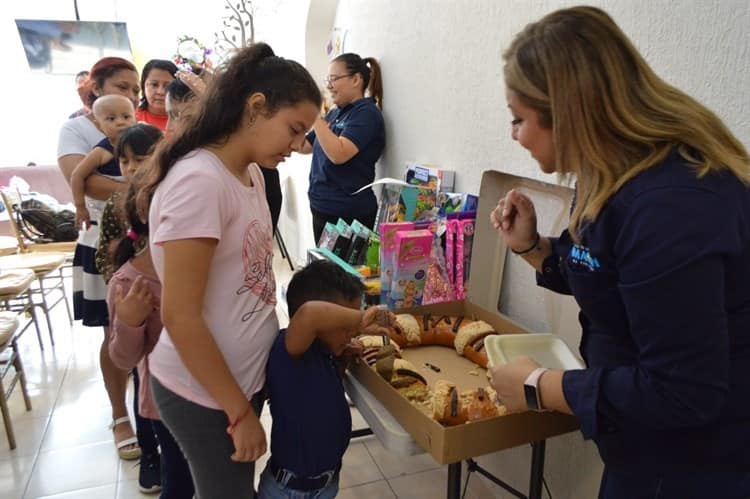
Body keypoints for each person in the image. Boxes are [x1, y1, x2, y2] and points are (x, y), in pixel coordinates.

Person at [487, 7, 750, 499]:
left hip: (696, 464)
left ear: (566, 114)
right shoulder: (611, 173)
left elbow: (684, 391)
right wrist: (534, 247)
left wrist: (539, 387)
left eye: (519, 119)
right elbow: (607, 270)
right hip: (641, 448)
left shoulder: (672, 209)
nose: (514, 135)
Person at [138, 42, 320, 498]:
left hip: (239, 380)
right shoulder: (200, 183)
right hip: (204, 393)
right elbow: (181, 316)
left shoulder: (251, 173)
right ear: (256, 107)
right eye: (295, 130)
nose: (299, 147)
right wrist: (238, 413)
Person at [57, 56, 142, 460]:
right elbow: (85, 179)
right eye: (123, 87)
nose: (132, 97)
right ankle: (119, 413)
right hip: (100, 242)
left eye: (135, 90)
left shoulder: (135, 127)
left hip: (144, 242)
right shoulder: (78, 129)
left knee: (147, 326)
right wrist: (141, 187)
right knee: (114, 330)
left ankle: (151, 414)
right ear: (97, 88)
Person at [258, 260, 394, 498]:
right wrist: (360, 319)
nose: (351, 331)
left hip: (326, 484)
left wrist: (341, 363)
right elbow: (309, 313)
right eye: (344, 324)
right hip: (287, 490)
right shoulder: (289, 351)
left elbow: (319, 394)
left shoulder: (327, 353)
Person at [107, 177, 195, 498]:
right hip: (167, 406)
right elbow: (123, 358)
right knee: (181, 484)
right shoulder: (128, 283)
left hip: (214, 393)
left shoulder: (204, 266)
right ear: (146, 210)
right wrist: (130, 321)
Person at [166, 74, 284, 232]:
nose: (169, 127)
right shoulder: (191, 178)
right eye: (170, 115)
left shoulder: (257, 172)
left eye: (176, 115)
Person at [300, 53, 385, 243]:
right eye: (327, 79)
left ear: (356, 79)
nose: (329, 85)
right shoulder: (335, 112)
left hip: (348, 214)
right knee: (326, 271)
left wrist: (314, 113)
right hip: (321, 207)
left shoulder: (366, 114)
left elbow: (339, 154)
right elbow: (306, 145)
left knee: (344, 273)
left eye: (333, 79)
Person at [70, 94, 135, 230]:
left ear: (135, 118)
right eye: (111, 119)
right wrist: (80, 207)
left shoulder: (142, 145)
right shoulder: (103, 151)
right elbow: (77, 175)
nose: (120, 122)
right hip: (110, 212)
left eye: (126, 117)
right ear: (98, 125)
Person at [136, 59, 178, 131]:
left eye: (168, 86)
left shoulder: (186, 122)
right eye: (154, 85)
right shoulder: (131, 118)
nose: (160, 92)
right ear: (143, 86)